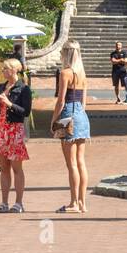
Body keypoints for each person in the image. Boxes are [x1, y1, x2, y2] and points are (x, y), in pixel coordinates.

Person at [51, 41, 91, 213]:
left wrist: (54, 121)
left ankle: (74, 203)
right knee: (81, 162)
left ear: (66, 54)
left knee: (71, 163)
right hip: (81, 115)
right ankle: (82, 203)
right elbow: (83, 101)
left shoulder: (65, 73)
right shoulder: (82, 73)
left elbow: (61, 101)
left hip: (68, 115)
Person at [0, 58, 32, 213]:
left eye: (5, 69)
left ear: (14, 70)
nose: (3, 72)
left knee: (16, 168)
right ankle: (4, 202)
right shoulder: (1, 87)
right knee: (4, 168)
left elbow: (25, 112)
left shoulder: (23, 89)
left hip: (14, 130)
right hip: (1, 130)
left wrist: (8, 103)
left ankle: (19, 202)